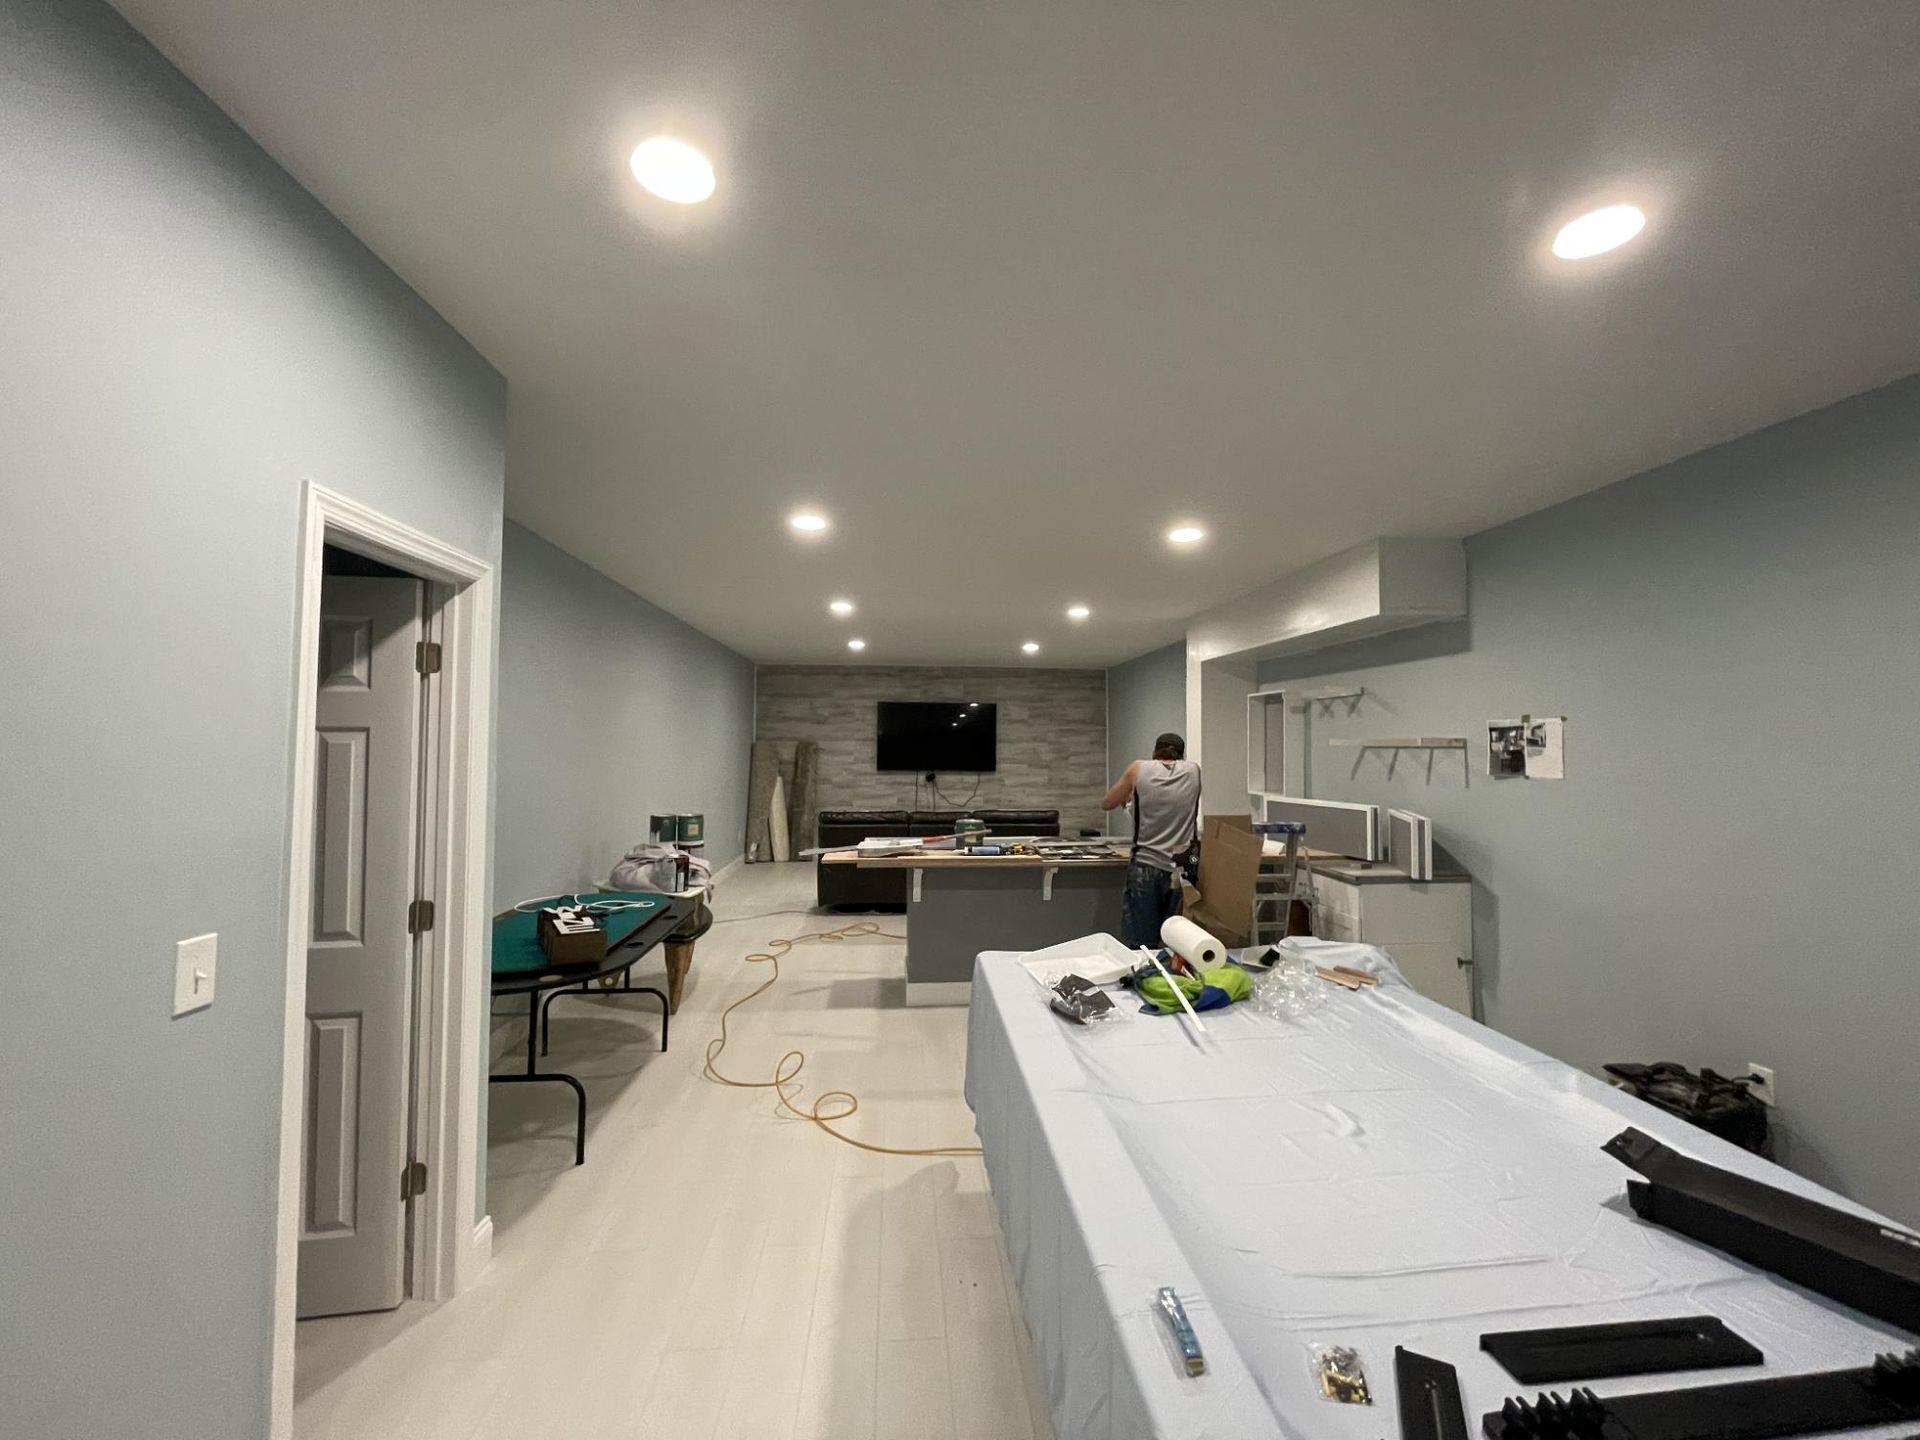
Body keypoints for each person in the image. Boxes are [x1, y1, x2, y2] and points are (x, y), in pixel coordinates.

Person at [1102, 732, 1203, 951]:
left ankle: (1146, 978)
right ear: (1181, 754)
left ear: (1155, 752)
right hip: (1186, 864)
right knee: (1180, 941)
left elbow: (1108, 803)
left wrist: (1131, 797)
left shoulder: (1139, 768)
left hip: (1147, 863)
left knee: (1143, 943)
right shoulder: (1194, 770)